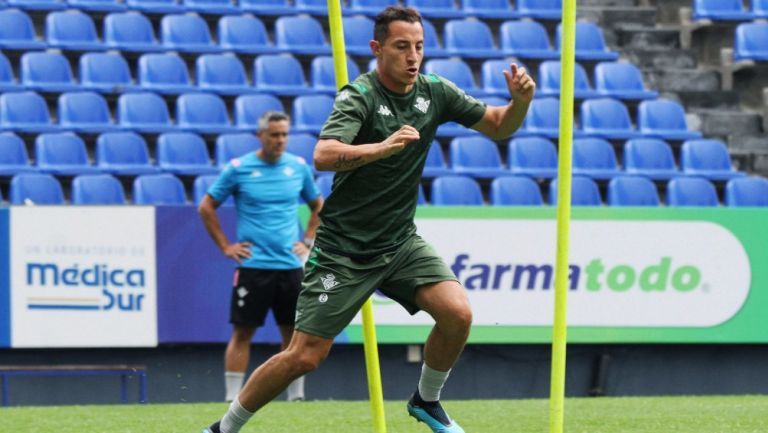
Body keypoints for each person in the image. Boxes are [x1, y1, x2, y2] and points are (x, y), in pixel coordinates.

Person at [203, 6, 535, 433]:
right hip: (343, 250)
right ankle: (223, 428)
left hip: (399, 242)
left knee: (458, 314)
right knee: (305, 355)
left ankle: (426, 401)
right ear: (378, 49)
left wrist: (519, 103)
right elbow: (323, 155)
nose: (413, 56)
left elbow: (497, 126)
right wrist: (380, 148)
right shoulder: (358, 95)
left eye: (419, 47)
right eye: (401, 47)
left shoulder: (435, 92)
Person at [198, 111, 324, 404]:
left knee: (295, 335)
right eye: (274, 134)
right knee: (243, 332)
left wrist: (307, 241)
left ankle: (296, 397)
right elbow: (206, 207)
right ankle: (232, 397)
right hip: (253, 266)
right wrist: (226, 247)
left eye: (284, 134)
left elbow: (318, 205)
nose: (280, 140)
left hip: (291, 266)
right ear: (260, 136)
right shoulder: (239, 168)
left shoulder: (298, 167)